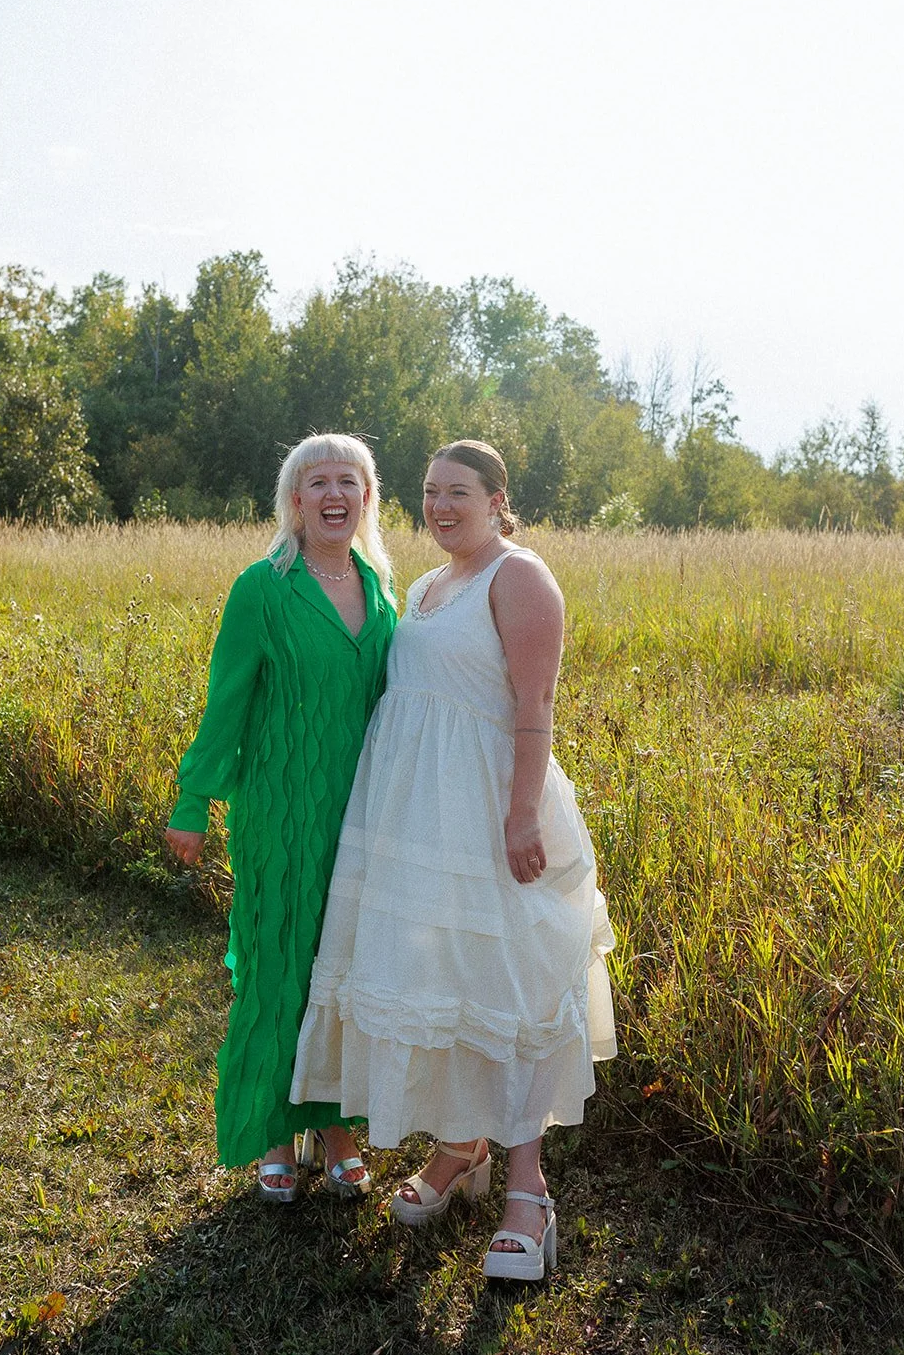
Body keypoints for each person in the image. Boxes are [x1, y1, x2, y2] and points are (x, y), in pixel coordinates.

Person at [290, 439, 616, 1278]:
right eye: (429, 493)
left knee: (503, 984)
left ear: (497, 498)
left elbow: (535, 707)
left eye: (458, 493)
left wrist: (516, 816)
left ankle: (525, 1193)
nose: (439, 507)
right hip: (413, 822)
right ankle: (459, 1147)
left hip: (488, 813)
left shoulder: (519, 576)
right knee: (436, 980)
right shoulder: (428, 586)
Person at [165, 433, 397, 1201]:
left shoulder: (381, 587)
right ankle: (271, 1126)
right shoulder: (262, 587)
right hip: (280, 811)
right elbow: (224, 704)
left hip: (359, 818)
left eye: (349, 482)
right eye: (317, 481)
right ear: (293, 499)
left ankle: (333, 1129)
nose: (334, 495)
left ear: (367, 497)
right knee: (275, 965)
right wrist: (192, 802)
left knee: (344, 970)